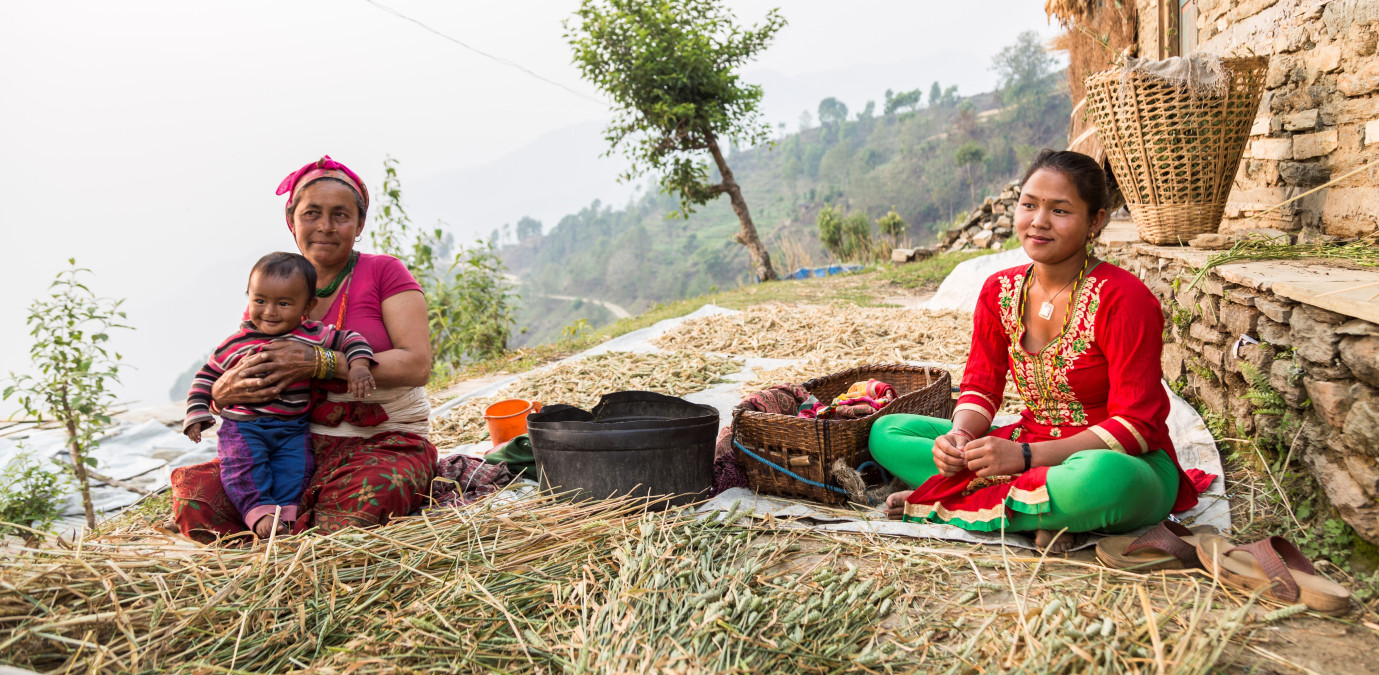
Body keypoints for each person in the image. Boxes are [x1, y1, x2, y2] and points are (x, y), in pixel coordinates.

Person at [869, 149, 1202, 551]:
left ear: (1096, 220)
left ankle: (947, 501)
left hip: (1119, 462)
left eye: (1060, 211)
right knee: (887, 431)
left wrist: (1026, 457)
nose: (1039, 222)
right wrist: (958, 438)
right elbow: (980, 387)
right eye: (1029, 205)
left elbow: (1137, 426)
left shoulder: (1125, 299)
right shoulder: (999, 290)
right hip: (1023, 444)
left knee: (1102, 479)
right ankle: (1038, 509)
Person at [171, 156, 436, 543]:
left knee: (364, 498)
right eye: (312, 213)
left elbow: (416, 365)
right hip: (291, 441)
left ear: (359, 224)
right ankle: (275, 533)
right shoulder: (275, 289)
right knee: (199, 499)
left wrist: (321, 363)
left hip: (383, 440)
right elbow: (235, 361)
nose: (325, 227)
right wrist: (218, 393)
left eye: (340, 215)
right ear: (291, 220)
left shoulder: (384, 272)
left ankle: (291, 535)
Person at [183, 252, 376, 538]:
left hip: (293, 428)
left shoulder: (312, 335)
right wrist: (196, 414)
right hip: (244, 427)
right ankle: (259, 515)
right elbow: (206, 376)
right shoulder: (236, 343)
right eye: (260, 301)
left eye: (283, 303)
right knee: (243, 468)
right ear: (249, 297)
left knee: (296, 469)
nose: (270, 311)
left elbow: (351, 339)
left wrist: (358, 365)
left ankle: (286, 518)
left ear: (307, 306)